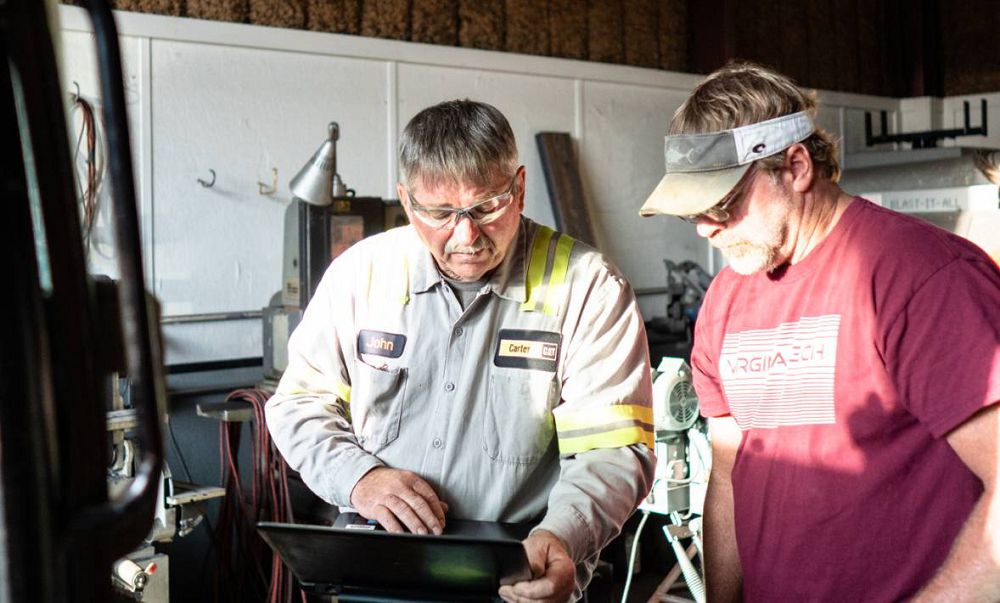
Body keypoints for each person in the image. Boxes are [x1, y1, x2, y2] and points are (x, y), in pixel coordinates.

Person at [266, 99, 656, 602]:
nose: (466, 235)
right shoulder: (360, 276)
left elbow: (612, 450)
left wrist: (561, 535)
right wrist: (359, 477)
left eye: (487, 206)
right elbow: (299, 404)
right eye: (440, 214)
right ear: (407, 202)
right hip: (380, 573)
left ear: (518, 187)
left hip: (519, 579)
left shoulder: (587, 288)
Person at [640, 61, 1000, 602]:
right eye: (692, 212)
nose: (705, 228)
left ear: (797, 166)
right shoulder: (726, 299)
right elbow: (727, 478)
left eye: (722, 204)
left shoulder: (923, 278)